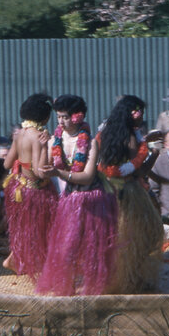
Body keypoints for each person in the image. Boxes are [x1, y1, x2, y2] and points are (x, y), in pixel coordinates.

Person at [36, 95, 119, 296]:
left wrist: (58, 173)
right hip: (70, 198)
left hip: (93, 199)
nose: (60, 122)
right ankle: (68, 287)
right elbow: (41, 172)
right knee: (66, 248)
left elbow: (88, 177)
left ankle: (93, 289)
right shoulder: (55, 139)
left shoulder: (90, 143)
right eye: (58, 117)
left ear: (77, 117)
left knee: (92, 249)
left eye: (64, 117)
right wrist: (42, 147)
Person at [97, 95, 164, 294]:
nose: (141, 115)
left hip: (107, 191)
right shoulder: (132, 139)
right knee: (144, 236)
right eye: (138, 112)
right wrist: (154, 155)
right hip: (130, 193)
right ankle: (132, 279)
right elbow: (140, 171)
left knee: (113, 239)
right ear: (130, 115)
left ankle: (114, 277)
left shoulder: (105, 134)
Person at [2, 94, 57, 276]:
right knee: (38, 229)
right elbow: (40, 171)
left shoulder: (19, 134)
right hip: (35, 190)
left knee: (24, 229)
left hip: (18, 188)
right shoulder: (38, 137)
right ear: (46, 117)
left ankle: (14, 259)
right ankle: (23, 262)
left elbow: (6, 164)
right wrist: (45, 147)